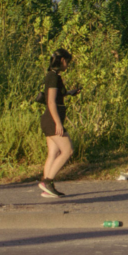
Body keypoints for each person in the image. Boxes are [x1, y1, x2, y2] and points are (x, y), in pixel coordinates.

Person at [39, 48, 80, 198]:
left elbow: (55, 96)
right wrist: (58, 123)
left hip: (49, 120)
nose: (67, 65)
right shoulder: (53, 77)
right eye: (67, 62)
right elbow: (50, 101)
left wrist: (69, 93)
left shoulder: (54, 75)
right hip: (52, 120)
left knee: (53, 153)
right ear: (62, 60)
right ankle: (47, 182)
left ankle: (48, 188)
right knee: (68, 150)